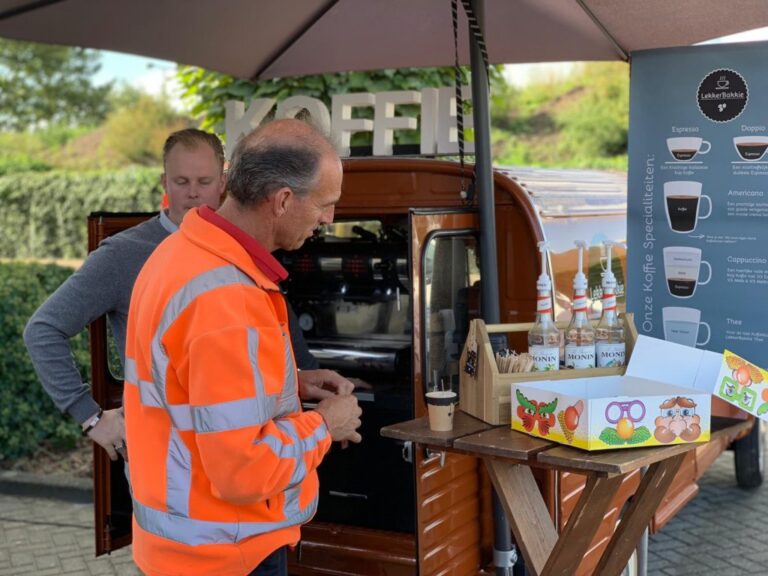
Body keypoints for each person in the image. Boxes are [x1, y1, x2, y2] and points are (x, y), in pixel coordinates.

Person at [124, 118, 362, 576]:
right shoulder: (227, 296)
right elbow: (243, 469)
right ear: (283, 200)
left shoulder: (179, 254)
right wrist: (324, 425)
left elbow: (191, 386)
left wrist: (292, 383)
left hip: (179, 546)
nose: (329, 219)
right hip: (225, 552)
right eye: (326, 205)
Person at [24, 128, 321, 461]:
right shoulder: (123, 254)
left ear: (224, 183)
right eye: (181, 182)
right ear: (164, 183)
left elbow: (277, 333)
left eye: (204, 182)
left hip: (242, 450)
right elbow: (43, 329)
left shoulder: (243, 246)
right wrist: (90, 417)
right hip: (162, 460)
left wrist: (311, 384)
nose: (193, 194)